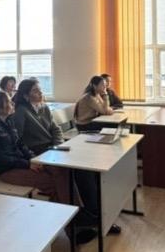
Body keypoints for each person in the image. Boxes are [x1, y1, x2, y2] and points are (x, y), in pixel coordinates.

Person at [11, 81, 114, 238]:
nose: (40, 92)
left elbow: (56, 129)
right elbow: (18, 140)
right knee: (67, 172)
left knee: (86, 170)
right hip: (37, 152)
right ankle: (81, 216)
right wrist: (34, 156)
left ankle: (94, 213)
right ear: (26, 95)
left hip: (52, 148)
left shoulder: (44, 108)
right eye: (35, 90)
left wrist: (57, 145)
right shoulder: (21, 112)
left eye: (40, 89)